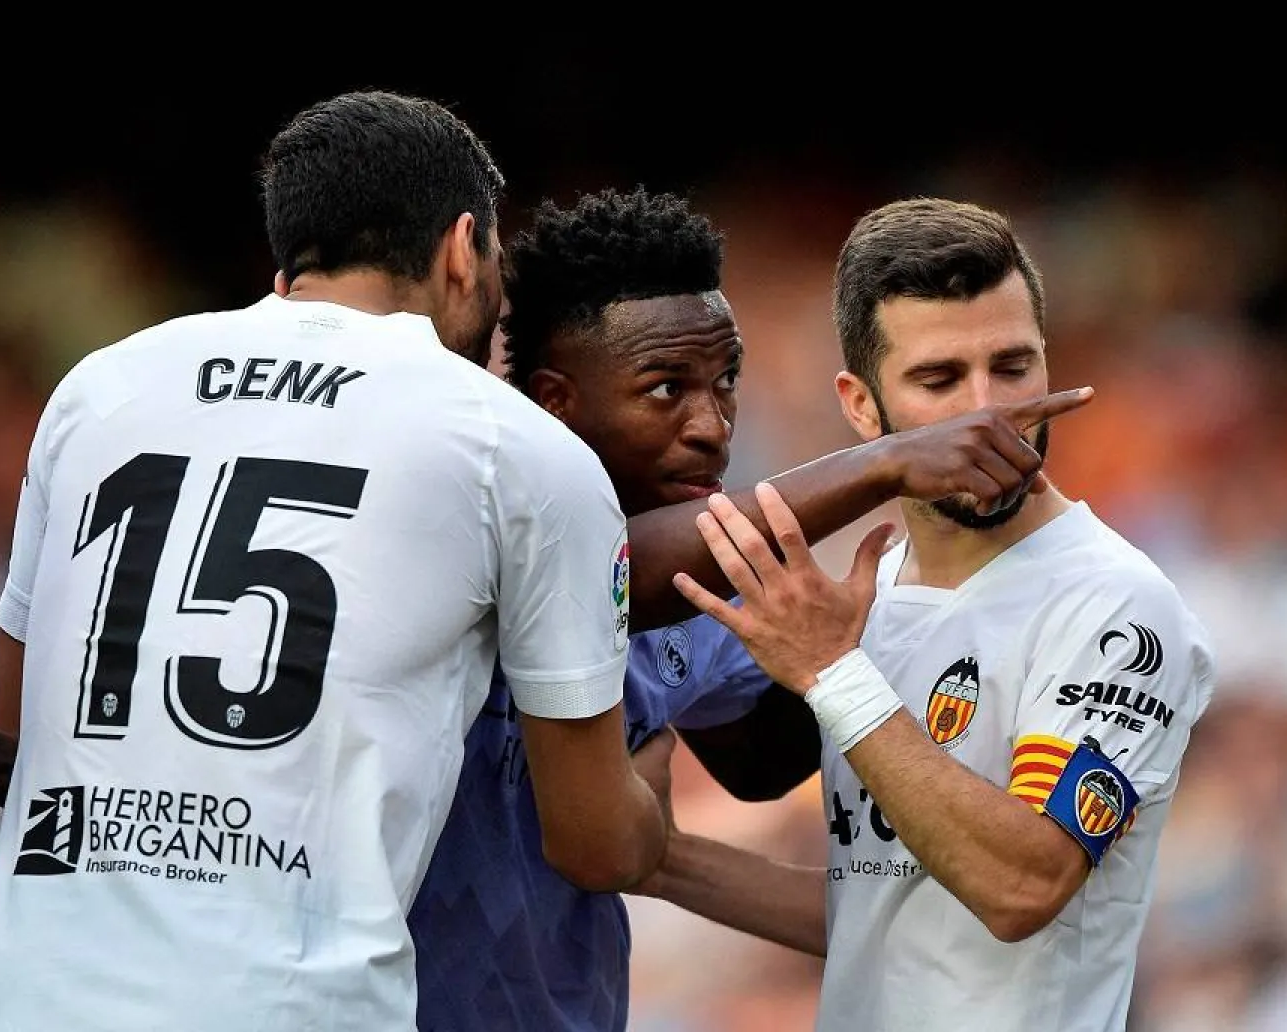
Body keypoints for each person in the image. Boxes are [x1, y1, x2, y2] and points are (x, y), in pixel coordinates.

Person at [0, 90, 667, 1032]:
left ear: (290, 250)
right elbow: (595, 845)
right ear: (463, 247)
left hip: (24, 996)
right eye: (495, 258)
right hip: (287, 1006)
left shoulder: (100, 385)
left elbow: (16, 733)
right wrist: (652, 787)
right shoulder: (518, 448)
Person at [408, 186, 1098, 1031]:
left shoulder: (699, 588)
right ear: (555, 400)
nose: (714, 425)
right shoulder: (460, 524)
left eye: (726, 381)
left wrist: (879, 651)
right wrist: (887, 463)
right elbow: (597, 568)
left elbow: (762, 762)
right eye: (666, 390)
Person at [671, 197, 1218, 1032]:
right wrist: (661, 861)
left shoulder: (1115, 603)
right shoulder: (871, 591)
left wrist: (832, 674)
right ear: (861, 407)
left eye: (1012, 365)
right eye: (939, 379)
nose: (987, 407)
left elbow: (1021, 885)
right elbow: (884, 910)